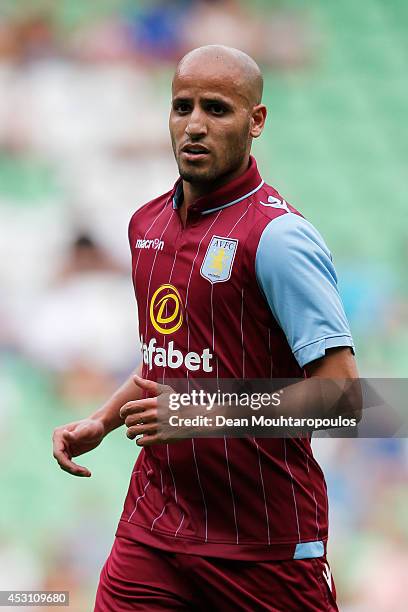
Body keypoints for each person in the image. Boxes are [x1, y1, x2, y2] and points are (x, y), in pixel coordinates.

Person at [53, 45, 359, 611]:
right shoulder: (145, 224)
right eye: (182, 106)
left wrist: (196, 413)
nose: (194, 125)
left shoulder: (279, 238)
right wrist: (101, 420)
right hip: (153, 530)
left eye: (217, 109)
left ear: (256, 120)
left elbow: (343, 399)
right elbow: (167, 360)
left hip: (263, 544)